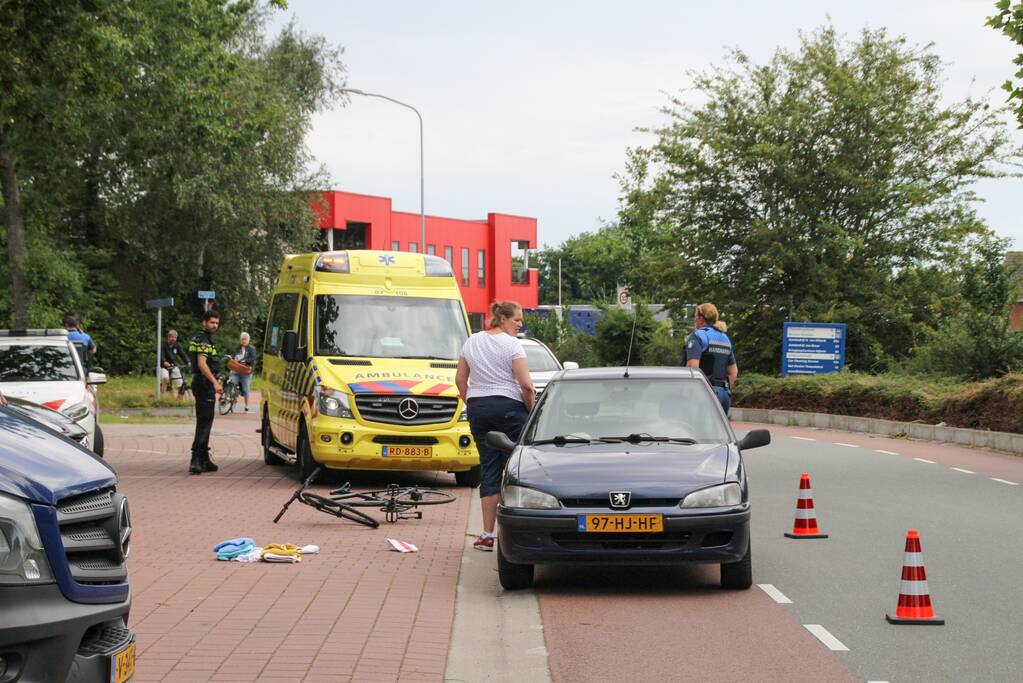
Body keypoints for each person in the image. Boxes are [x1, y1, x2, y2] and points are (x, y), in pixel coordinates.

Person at [455, 300, 535, 551]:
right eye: (517, 320)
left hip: (479, 408)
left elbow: (460, 380)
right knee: (521, 465)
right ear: (503, 319)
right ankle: (521, 531)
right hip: (509, 408)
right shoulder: (512, 345)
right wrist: (531, 412)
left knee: (489, 467)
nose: (520, 325)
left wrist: (472, 402)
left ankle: (487, 535)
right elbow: (526, 386)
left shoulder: (472, 341)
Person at [685, 303, 738, 414]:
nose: (695, 320)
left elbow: (692, 367)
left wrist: (689, 393)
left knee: (697, 424)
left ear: (700, 318)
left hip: (705, 393)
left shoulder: (698, 335)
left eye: (695, 317)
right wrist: (724, 390)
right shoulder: (724, 337)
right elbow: (733, 372)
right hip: (724, 395)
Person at [188, 310, 223, 474]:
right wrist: (215, 382)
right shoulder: (203, 339)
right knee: (204, 422)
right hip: (204, 384)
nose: (215, 325)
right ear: (204, 322)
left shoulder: (203, 338)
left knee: (206, 420)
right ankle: (196, 460)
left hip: (202, 383)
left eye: (217, 323)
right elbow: (202, 364)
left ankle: (204, 458)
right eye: (212, 322)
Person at [230, 332, 256, 411]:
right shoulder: (237, 348)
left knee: (245, 388)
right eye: (242, 339)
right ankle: (232, 400)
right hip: (236, 370)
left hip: (246, 371)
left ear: (248, 340)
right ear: (240, 340)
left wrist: (244, 360)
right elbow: (233, 357)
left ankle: (246, 405)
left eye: (245, 339)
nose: (244, 341)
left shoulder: (251, 348)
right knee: (232, 383)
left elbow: (252, 358)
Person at [160, 330, 190, 395]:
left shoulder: (177, 345)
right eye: (172, 337)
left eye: (175, 337)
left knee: (180, 382)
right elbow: (161, 354)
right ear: (168, 337)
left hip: (173, 365)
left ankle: (180, 398)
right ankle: (162, 395)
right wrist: (164, 361)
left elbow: (183, 354)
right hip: (163, 366)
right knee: (165, 378)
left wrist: (188, 362)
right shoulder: (163, 344)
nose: (174, 339)